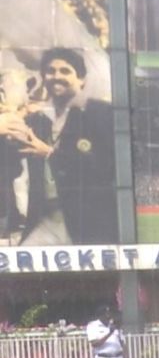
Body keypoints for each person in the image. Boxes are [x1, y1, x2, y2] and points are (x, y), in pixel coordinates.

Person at [0, 47, 117, 245]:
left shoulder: (100, 114)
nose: (56, 76)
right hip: (45, 220)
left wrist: (51, 154)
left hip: (87, 221)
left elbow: (104, 169)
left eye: (65, 71)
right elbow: (10, 166)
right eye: (50, 71)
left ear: (82, 79)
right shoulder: (36, 121)